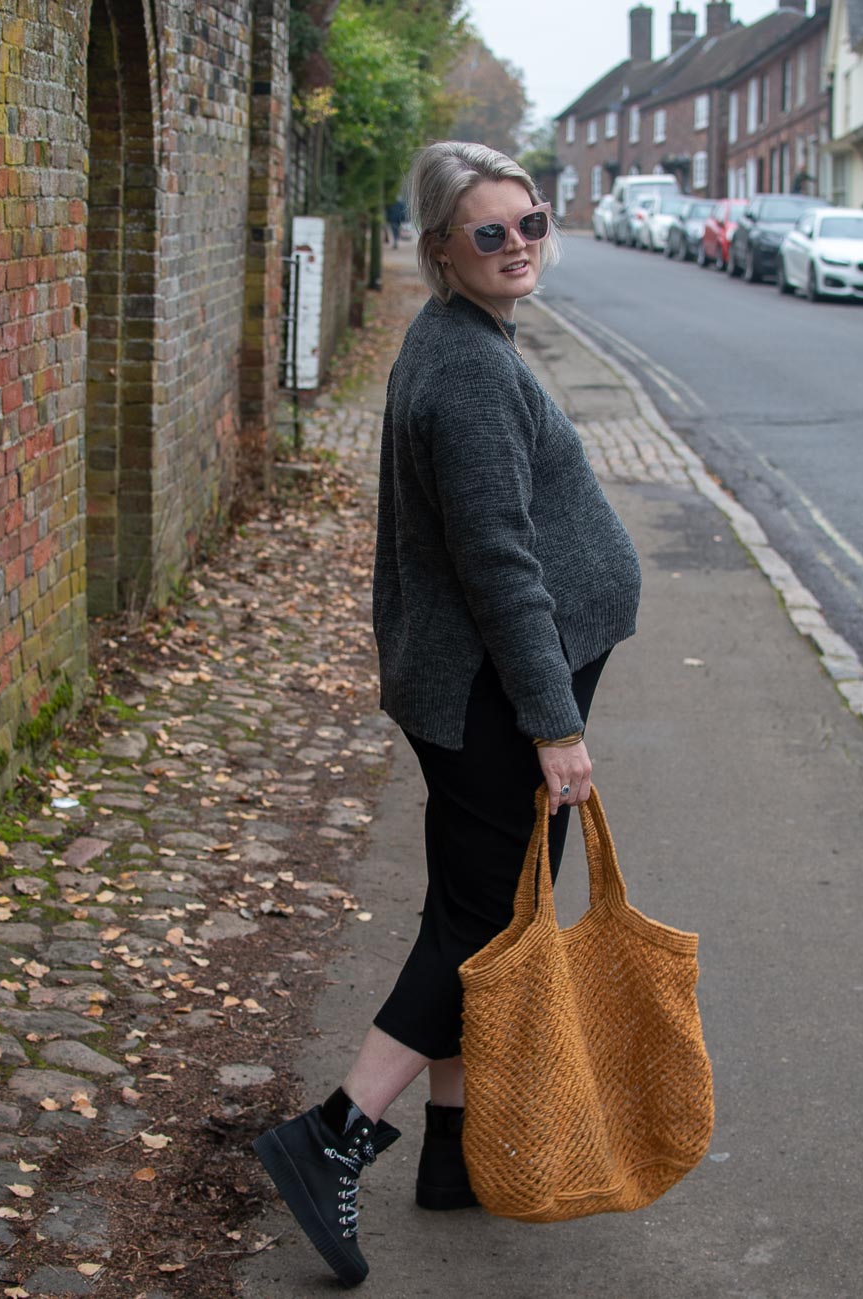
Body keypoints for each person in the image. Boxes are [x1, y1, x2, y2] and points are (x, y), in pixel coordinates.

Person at [253, 141, 642, 1287]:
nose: (518, 244)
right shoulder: (468, 368)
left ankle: (453, 1156)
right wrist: (554, 727)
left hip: (483, 687)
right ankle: (332, 1132)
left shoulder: (462, 339)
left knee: (472, 911)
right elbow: (499, 562)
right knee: (485, 930)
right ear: (438, 248)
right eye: (489, 233)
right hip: (499, 694)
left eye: (529, 222)